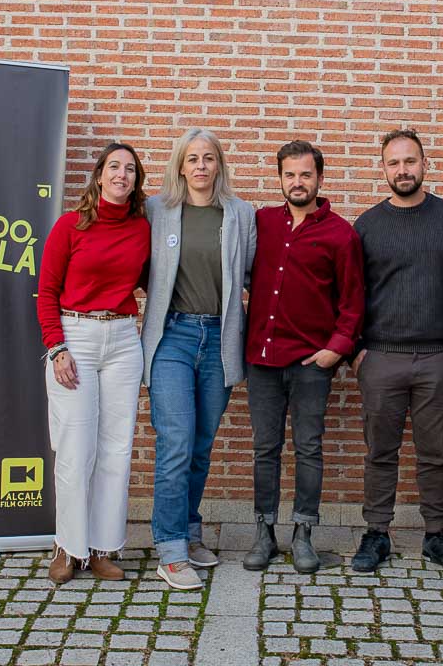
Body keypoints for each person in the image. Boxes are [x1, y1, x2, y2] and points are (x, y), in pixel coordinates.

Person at [141, 128, 256, 591]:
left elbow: (252, 276)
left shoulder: (241, 213)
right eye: (192, 159)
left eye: (209, 158)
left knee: (201, 445)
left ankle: (189, 532)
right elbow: (138, 268)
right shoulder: (157, 210)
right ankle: (170, 550)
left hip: (219, 339)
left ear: (219, 164)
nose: (201, 166)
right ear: (180, 166)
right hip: (173, 337)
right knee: (176, 441)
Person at [349, 129, 443, 575]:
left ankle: (436, 534)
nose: (403, 170)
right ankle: (376, 533)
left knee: (435, 453)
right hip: (381, 357)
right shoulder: (367, 225)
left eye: (410, 161)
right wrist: (356, 351)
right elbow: (350, 292)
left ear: (425, 164)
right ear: (383, 169)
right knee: (380, 452)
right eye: (394, 163)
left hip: (438, 357)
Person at [243, 140, 364, 574]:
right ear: (280, 178)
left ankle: (304, 534)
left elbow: (353, 302)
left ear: (319, 179)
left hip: (311, 363)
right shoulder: (261, 223)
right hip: (262, 359)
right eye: (290, 174)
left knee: (309, 448)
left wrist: (336, 349)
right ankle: (264, 533)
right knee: (265, 448)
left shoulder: (341, 234)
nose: (297, 182)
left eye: (305, 175)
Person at [36, 142, 150, 585]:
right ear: (99, 175)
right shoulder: (70, 225)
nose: (122, 175)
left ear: (136, 182)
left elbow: (152, 281)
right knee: (75, 448)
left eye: (130, 170)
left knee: (116, 449)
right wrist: (56, 347)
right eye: (114, 167)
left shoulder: (141, 229)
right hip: (76, 337)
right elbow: (47, 292)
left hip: (122, 339)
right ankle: (68, 546)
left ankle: (103, 548)